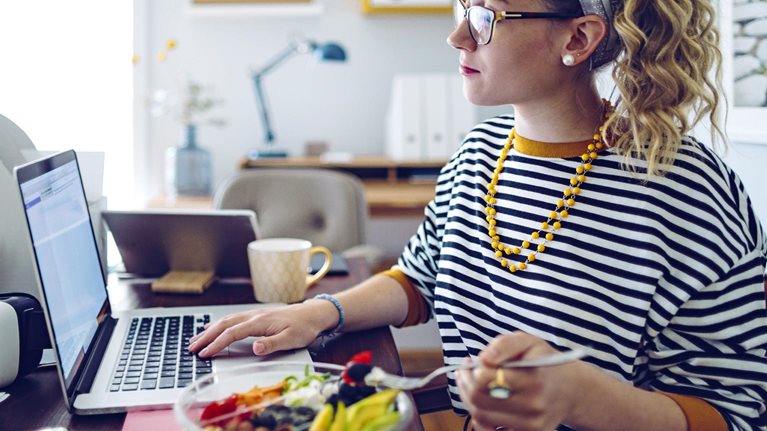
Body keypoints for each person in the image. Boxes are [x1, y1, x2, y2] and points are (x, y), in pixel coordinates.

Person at [190, 0, 767, 429]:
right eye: (464, 6)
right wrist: (321, 312)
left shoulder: (686, 188)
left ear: (579, 38)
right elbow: (419, 278)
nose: (457, 35)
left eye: (486, 16)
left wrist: (581, 399)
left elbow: (738, 409)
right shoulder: (479, 153)